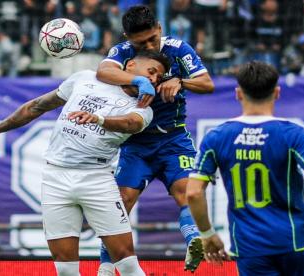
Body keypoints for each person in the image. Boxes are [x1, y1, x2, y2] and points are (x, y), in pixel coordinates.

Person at [0, 51, 170, 276]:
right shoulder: (85, 78)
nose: (153, 79)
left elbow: (130, 124)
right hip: (55, 178)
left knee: (126, 263)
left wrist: (99, 119)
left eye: (158, 77)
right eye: (151, 72)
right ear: (131, 64)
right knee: (65, 270)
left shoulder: (143, 109)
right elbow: (36, 106)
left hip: (96, 179)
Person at [186, 61, 304, 275]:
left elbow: (193, 193)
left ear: (238, 93)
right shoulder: (293, 133)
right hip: (296, 242)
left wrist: (207, 233)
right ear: (277, 92)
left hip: (251, 248)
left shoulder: (216, 137)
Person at [95, 5, 215, 274]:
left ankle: (194, 240)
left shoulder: (178, 48)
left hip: (173, 140)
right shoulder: (122, 52)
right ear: (128, 38)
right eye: (142, 42)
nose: (150, 45)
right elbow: (103, 72)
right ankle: (105, 266)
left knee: (187, 193)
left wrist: (180, 81)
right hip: (136, 143)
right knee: (121, 202)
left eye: (153, 38)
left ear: (160, 28)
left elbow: (207, 84)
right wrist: (139, 80)